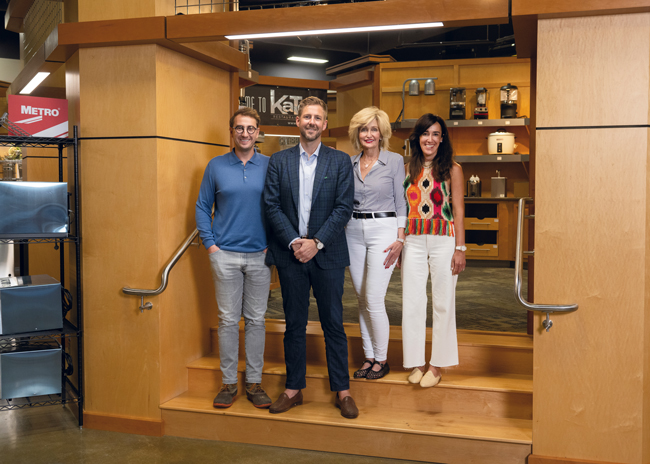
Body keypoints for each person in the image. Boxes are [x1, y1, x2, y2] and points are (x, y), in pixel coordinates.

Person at [263, 96, 358, 419]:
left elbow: (344, 208)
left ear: (325, 124)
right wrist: (294, 242)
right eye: (307, 117)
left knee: (333, 323)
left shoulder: (340, 160)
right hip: (291, 255)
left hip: (327, 254)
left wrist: (316, 242)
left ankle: (342, 390)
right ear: (297, 122)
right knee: (294, 324)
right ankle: (293, 388)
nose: (312, 122)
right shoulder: (279, 161)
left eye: (318, 117)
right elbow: (272, 205)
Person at [195, 107, 272, 409]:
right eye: (239, 128)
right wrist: (211, 246)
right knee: (228, 320)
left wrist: (271, 245)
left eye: (250, 128)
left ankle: (254, 382)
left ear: (257, 132)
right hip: (224, 254)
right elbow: (203, 206)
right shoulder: (216, 166)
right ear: (232, 132)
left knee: (255, 320)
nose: (245, 133)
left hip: (260, 255)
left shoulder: (270, 164)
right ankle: (228, 383)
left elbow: (278, 207)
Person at [401, 113, 466, 388]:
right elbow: (402, 210)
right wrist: (400, 242)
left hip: (444, 240)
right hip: (413, 241)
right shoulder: (407, 169)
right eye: (426, 134)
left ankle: (436, 365)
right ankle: (416, 362)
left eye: (436, 134)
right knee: (412, 302)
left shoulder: (453, 169)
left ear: (442, 139)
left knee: (443, 302)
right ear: (418, 138)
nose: (430, 139)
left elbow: (460, 210)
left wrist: (460, 248)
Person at [346, 107, 406, 380]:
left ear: (382, 133)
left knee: (373, 298)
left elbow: (401, 200)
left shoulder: (394, 160)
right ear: (357, 133)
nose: (368, 134)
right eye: (363, 129)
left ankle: (382, 359)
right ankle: (368, 357)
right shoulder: (349, 162)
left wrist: (400, 237)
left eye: (373, 129)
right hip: (353, 229)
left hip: (384, 228)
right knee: (360, 298)